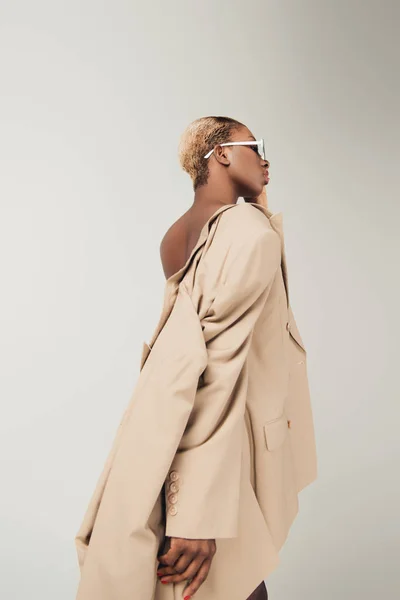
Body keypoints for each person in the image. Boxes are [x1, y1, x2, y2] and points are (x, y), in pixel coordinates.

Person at [74, 116, 318, 600]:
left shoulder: (178, 235)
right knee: (227, 583)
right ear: (221, 154)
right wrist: (199, 514)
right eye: (255, 145)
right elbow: (219, 369)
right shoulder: (248, 234)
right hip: (216, 449)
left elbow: (188, 355)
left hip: (163, 433)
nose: (266, 158)